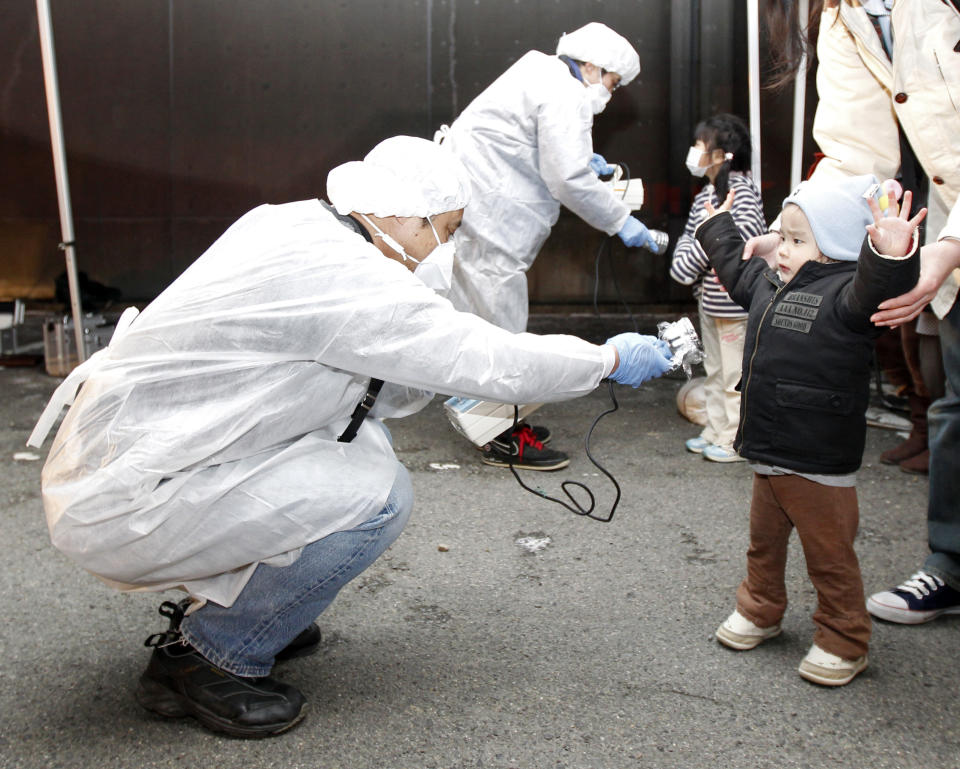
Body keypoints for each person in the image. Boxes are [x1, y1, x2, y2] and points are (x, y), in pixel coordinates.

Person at [26, 136, 673, 738]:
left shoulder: (293, 224)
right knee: (378, 494)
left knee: (362, 449)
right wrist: (607, 361)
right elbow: (490, 361)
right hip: (130, 498)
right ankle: (208, 655)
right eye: (446, 230)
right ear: (404, 217)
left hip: (120, 456)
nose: (445, 250)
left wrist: (435, 366)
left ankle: (258, 609)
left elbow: (365, 388)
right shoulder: (357, 283)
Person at [753, 0, 960, 624]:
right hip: (948, 226)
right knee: (956, 401)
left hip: (951, 232)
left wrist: (947, 250)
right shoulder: (846, 15)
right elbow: (852, 155)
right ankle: (952, 564)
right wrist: (792, 227)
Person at [699, 175, 924, 686]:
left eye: (798, 240)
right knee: (763, 544)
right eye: (783, 235)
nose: (781, 249)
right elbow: (736, 269)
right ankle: (760, 610)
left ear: (839, 245)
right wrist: (717, 226)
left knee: (829, 557)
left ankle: (844, 640)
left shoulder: (849, 296)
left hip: (819, 460)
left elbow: (881, 283)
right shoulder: (770, 281)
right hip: (768, 450)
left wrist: (889, 252)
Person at [436, 22, 667, 471]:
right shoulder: (565, 93)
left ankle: (496, 419)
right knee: (501, 333)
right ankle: (501, 436)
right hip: (493, 225)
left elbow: (533, 147)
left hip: (476, 213)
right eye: (613, 83)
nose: (610, 94)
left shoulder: (538, 70)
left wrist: (582, 159)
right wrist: (622, 222)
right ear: (592, 66)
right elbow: (567, 178)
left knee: (478, 327)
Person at [669, 113, 766, 463]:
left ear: (723, 154)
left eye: (700, 145)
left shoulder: (738, 193)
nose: (694, 152)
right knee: (717, 370)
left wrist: (687, 263)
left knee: (734, 375)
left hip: (732, 303)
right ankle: (715, 428)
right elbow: (696, 243)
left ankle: (733, 438)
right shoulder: (710, 193)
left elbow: (736, 242)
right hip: (712, 301)